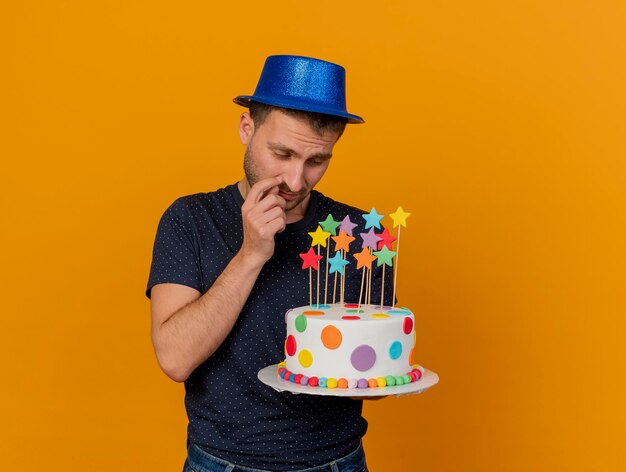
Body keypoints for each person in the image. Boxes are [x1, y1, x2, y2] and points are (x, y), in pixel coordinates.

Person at [147, 55, 393, 472]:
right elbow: (174, 359)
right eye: (282, 153)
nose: (296, 182)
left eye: (317, 161)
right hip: (221, 463)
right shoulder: (190, 219)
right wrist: (252, 254)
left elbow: (375, 384)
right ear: (247, 129)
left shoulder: (360, 234)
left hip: (336, 462)